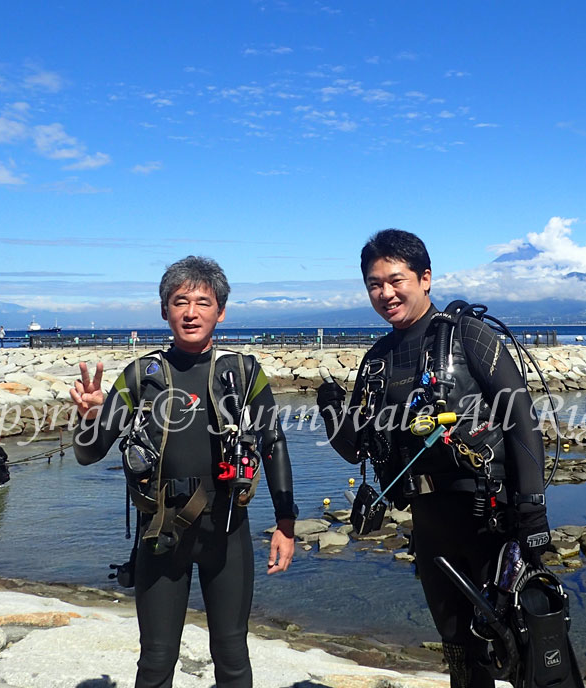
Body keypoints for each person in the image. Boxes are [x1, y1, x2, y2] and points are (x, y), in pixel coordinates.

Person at [317, 230, 552, 688]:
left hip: (491, 517)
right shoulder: (377, 360)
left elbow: (523, 421)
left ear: (425, 279)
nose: (385, 293)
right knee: (458, 646)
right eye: (373, 284)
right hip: (429, 522)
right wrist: (329, 409)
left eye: (395, 280)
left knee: (519, 641)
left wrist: (532, 509)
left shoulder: (468, 336)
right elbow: (354, 451)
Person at [70, 255, 297, 688]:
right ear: (164, 310)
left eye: (202, 302)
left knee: (231, 653)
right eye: (179, 301)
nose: (190, 312)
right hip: (161, 533)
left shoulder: (244, 373)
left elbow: (274, 444)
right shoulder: (141, 376)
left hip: (227, 530)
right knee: (156, 658)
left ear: (221, 311)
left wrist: (286, 521)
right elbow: (89, 453)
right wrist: (87, 418)